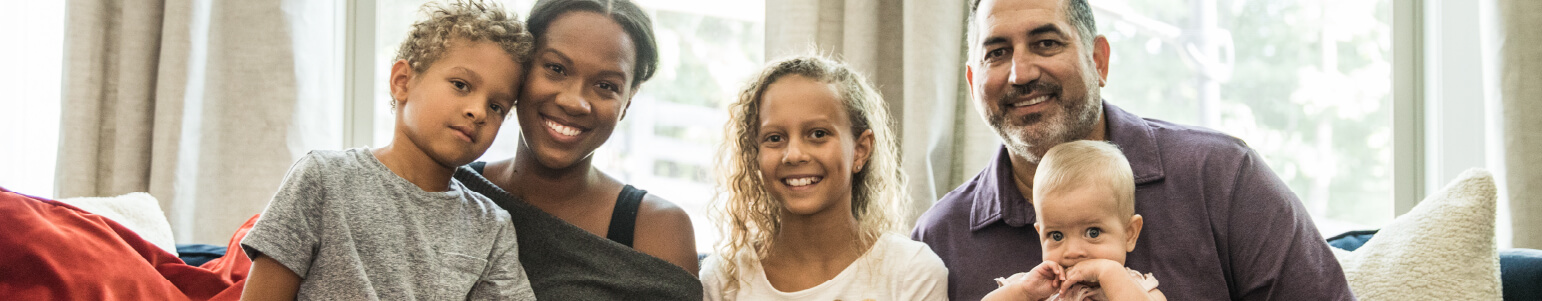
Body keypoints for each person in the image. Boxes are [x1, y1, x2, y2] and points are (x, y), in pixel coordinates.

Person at [909, 0, 1355, 300]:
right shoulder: (938, 240)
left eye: (1046, 43)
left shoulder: (1221, 177)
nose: (1021, 72)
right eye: (997, 52)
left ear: (1099, 61)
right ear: (973, 84)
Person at [238, 1, 535, 299]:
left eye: (496, 106)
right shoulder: (323, 178)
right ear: (402, 82)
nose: (478, 111)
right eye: (460, 84)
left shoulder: (492, 227)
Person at [451, 0, 702, 299]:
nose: (574, 101)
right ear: (521, 70)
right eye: (556, 68)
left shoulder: (658, 230)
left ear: (627, 104)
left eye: (606, 86)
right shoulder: (450, 188)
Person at [699, 55, 949, 300]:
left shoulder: (912, 273)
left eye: (818, 134)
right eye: (775, 138)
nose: (793, 154)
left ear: (860, 149)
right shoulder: (724, 279)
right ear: (755, 153)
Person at [983, 141, 1165, 301]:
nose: (1073, 252)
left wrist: (1109, 274)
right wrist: (1024, 292)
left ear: (1129, 234)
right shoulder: (1035, 288)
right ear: (1041, 237)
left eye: (1093, 232)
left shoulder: (1139, 289)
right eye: (1056, 235)